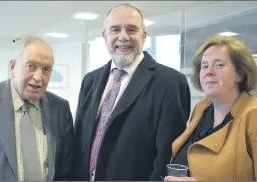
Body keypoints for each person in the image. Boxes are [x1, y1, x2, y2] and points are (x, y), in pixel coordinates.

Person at [72, 3, 191, 181]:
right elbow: (79, 140)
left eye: (131, 29)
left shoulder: (170, 82)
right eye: (115, 30)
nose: (123, 37)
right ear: (105, 36)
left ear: (144, 36)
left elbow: (167, 155)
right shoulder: (90, 80)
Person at [164, 35, 257, 181]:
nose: (209, 72)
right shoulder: (202, 107)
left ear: (240, 74)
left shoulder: (254, 115)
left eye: (219, 65)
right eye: (204, 66)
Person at [0, 36, 74, 181]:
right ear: (13, 67)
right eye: (31, 66)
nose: (39, 77)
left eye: (46, 69)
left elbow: (65, 170)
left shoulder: (60, 109)